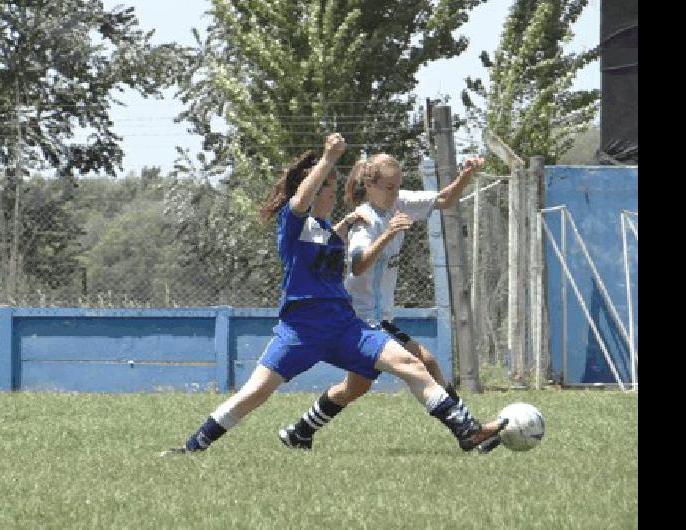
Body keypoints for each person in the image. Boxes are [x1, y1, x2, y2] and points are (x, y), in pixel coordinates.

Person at [161, 134, 506, 455]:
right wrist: (327, 159)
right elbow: (300, 205)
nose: (332, 194)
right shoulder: (292, 225)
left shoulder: (327, 228)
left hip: (344, 326)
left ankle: (467, 431)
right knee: (255, 392)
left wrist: (342, 226)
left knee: (413, 364)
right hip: (302, 328)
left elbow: (331, 246)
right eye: (327, 188)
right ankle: (192, 448)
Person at [277, 154, 504, 452]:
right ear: (369, 185)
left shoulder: (400, 203)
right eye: (388, 187)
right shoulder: (365, 221)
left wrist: (466, 175)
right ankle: (468, 430)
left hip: (377, 318)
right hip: (358, 318)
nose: (394, 193)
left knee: (355, 387)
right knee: (424, 362)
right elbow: (357, 265)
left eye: (398, 186)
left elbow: (445, 200)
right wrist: (387, 234)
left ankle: (300, 431)